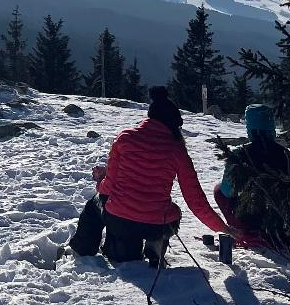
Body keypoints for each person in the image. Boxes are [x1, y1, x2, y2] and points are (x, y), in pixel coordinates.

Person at [68, 86, 228, 267]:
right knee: (172, 210)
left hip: (122, 221)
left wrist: (100, 181)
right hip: (158, 225)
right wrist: (223, 228)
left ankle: (82, 251)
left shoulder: (125, 139)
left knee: (95, 206)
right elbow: (195, 200)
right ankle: (155, 243)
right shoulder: (177, 150)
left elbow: (108, 187)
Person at [214, 103, 290, 249]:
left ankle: (242, 233)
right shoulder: (288, 156)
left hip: (248, 217)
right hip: (282, 221)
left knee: (218, 191)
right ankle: (289, 238)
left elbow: (227, 191)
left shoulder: (240, 154)